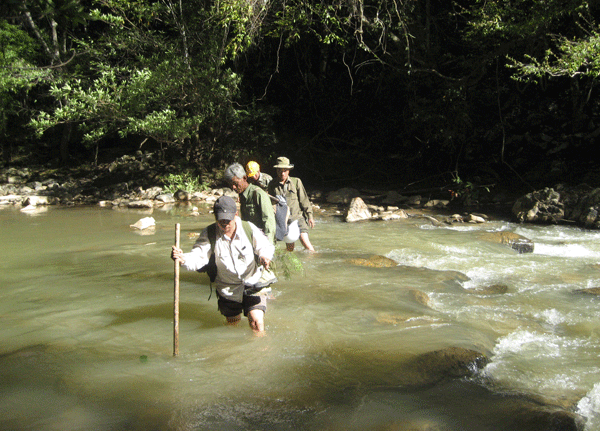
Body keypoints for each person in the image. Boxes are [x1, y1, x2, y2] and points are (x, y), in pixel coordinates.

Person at [171, 196, 275, 334]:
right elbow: (199, 257)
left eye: (227, 220)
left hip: (253, 282)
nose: (224, 224)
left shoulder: (248, 228)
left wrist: (264, 256)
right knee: (232, 324)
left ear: (235, 214)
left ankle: (260, 350)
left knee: (256, 323)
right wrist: (183, 258)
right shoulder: (210, 233)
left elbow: (264, 246)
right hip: (227, 287)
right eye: (220, 221)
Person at [268, 156, 315, 251]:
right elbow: (270, 204)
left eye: (285, 170)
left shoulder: (296, 182)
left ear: (289, 171)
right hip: (283, 220)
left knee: (305, 242)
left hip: (298, 218)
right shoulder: (272, 184)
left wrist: (310, 216)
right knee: (290, 248)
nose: (282, 173)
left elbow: (304, 200)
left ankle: (314, 260)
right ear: (276, 171)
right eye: (280, 170)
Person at [224, 163, 276, 244]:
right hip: (249, 240)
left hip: (262, 242)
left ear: (244, 178)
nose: (233, 187)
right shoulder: (242, 196)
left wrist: (267, 245)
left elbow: (269, 221)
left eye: (235, 183)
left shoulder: (258, 194)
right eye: (231, 184)